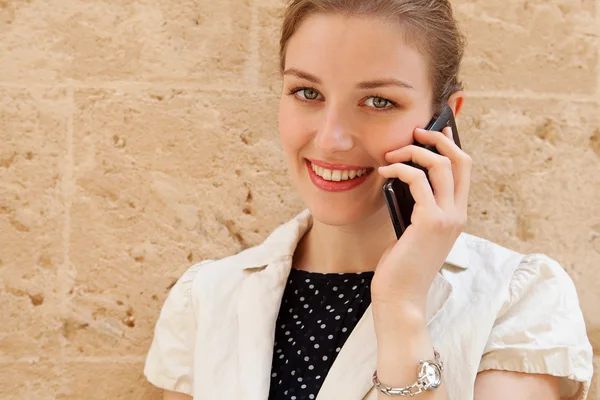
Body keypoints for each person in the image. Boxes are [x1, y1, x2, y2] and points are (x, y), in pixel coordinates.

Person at [143, 0, 594, 399]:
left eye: (378, 101)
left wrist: (400, 306)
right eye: (307, 93)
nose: (332, 139)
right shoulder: (205, 298)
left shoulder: (521, 302)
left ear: (445, 121)